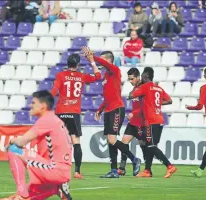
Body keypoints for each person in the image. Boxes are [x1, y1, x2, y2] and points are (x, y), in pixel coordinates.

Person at [0, 90, 72, 200]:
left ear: (42, 106)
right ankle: (57, 188)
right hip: (61, 170)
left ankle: (21, 194)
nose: (30, 105)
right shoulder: (54, 120)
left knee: (13, 149)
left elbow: (21, 142)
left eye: (33, 103)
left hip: (54, 169)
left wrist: (13, 140)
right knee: (33, 196)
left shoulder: (46, 120)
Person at [83, 47, 141, 178]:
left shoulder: (115, 70)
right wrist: (100, 109)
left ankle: (134, 159)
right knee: (111, 141)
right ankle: (114, 170)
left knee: (111, 139)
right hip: (109, 110)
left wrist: (93, 57)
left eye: (103, 60)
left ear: (109, 61)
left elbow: (104, 64)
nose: (101, 63)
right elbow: (108, 96)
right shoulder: (105, 76)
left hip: (116, 109)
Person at [50, 51, 101, 179]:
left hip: (61, 112)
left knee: (57, 142)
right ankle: (77, 171)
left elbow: (53, 92)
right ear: (78, 64)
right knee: (76, 141)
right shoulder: (81, 76)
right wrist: (92, 62)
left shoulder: (61, 75)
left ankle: (55, 168)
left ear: (67, 63)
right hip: (74, 113)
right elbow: (98, 76)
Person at [128, 67, 177, 178]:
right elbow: (169, 100)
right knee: (149, 145)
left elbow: (131, 95)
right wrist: (156, 104)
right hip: (159, 120)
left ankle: (169, 166)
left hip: (150, 120)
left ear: (145, 76)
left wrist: (137, 86)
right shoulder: (158, 88)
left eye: (142, 77)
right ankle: (147, 170)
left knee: (151, 146)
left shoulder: (145, 86)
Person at [118, 68, 145, 176]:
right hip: (133, 122)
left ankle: (147, 168)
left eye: (132, 79)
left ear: (138, 77)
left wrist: (135, 113)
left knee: (144, 146)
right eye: (129, 79)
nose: (130, 81)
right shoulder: (135, 89)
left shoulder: (143, 88)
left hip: (142, 122)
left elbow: (145, 106)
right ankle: (122, 168)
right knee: (123, 143)